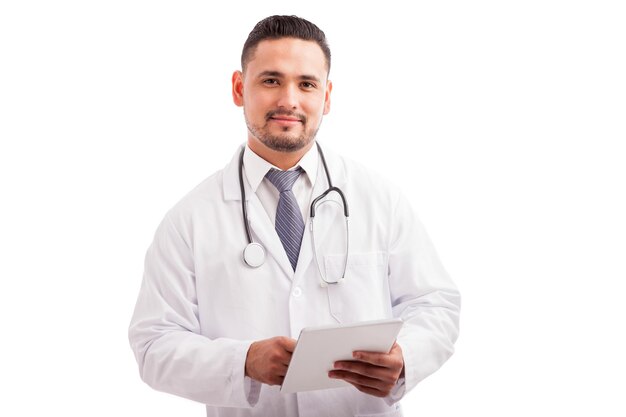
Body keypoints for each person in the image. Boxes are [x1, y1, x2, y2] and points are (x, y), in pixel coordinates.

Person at [129, 15, 460, 417]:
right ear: (239, 88)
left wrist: (406, 358)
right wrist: (243, 361)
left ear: (327, 96)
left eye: (306, 84)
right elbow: (153, 345)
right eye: (271, 80)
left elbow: (435, 303)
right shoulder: (190, 219)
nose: (289, 100)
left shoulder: (378, 199)